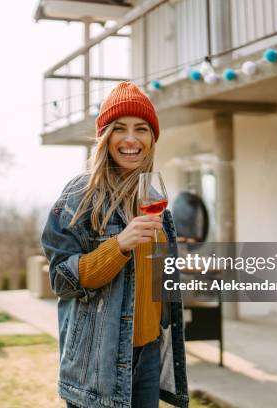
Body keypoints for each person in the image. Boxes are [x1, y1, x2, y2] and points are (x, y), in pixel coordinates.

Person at [42, 81, 189, 408]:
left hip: (148, 355)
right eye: (119, 128)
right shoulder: (79, 196)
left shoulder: (154, 198)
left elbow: (154, 283)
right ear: (105, 137)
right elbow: (61, 280)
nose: (131, 139)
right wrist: (119, 245)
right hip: (98, 364)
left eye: (141, 129)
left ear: (152, 138)